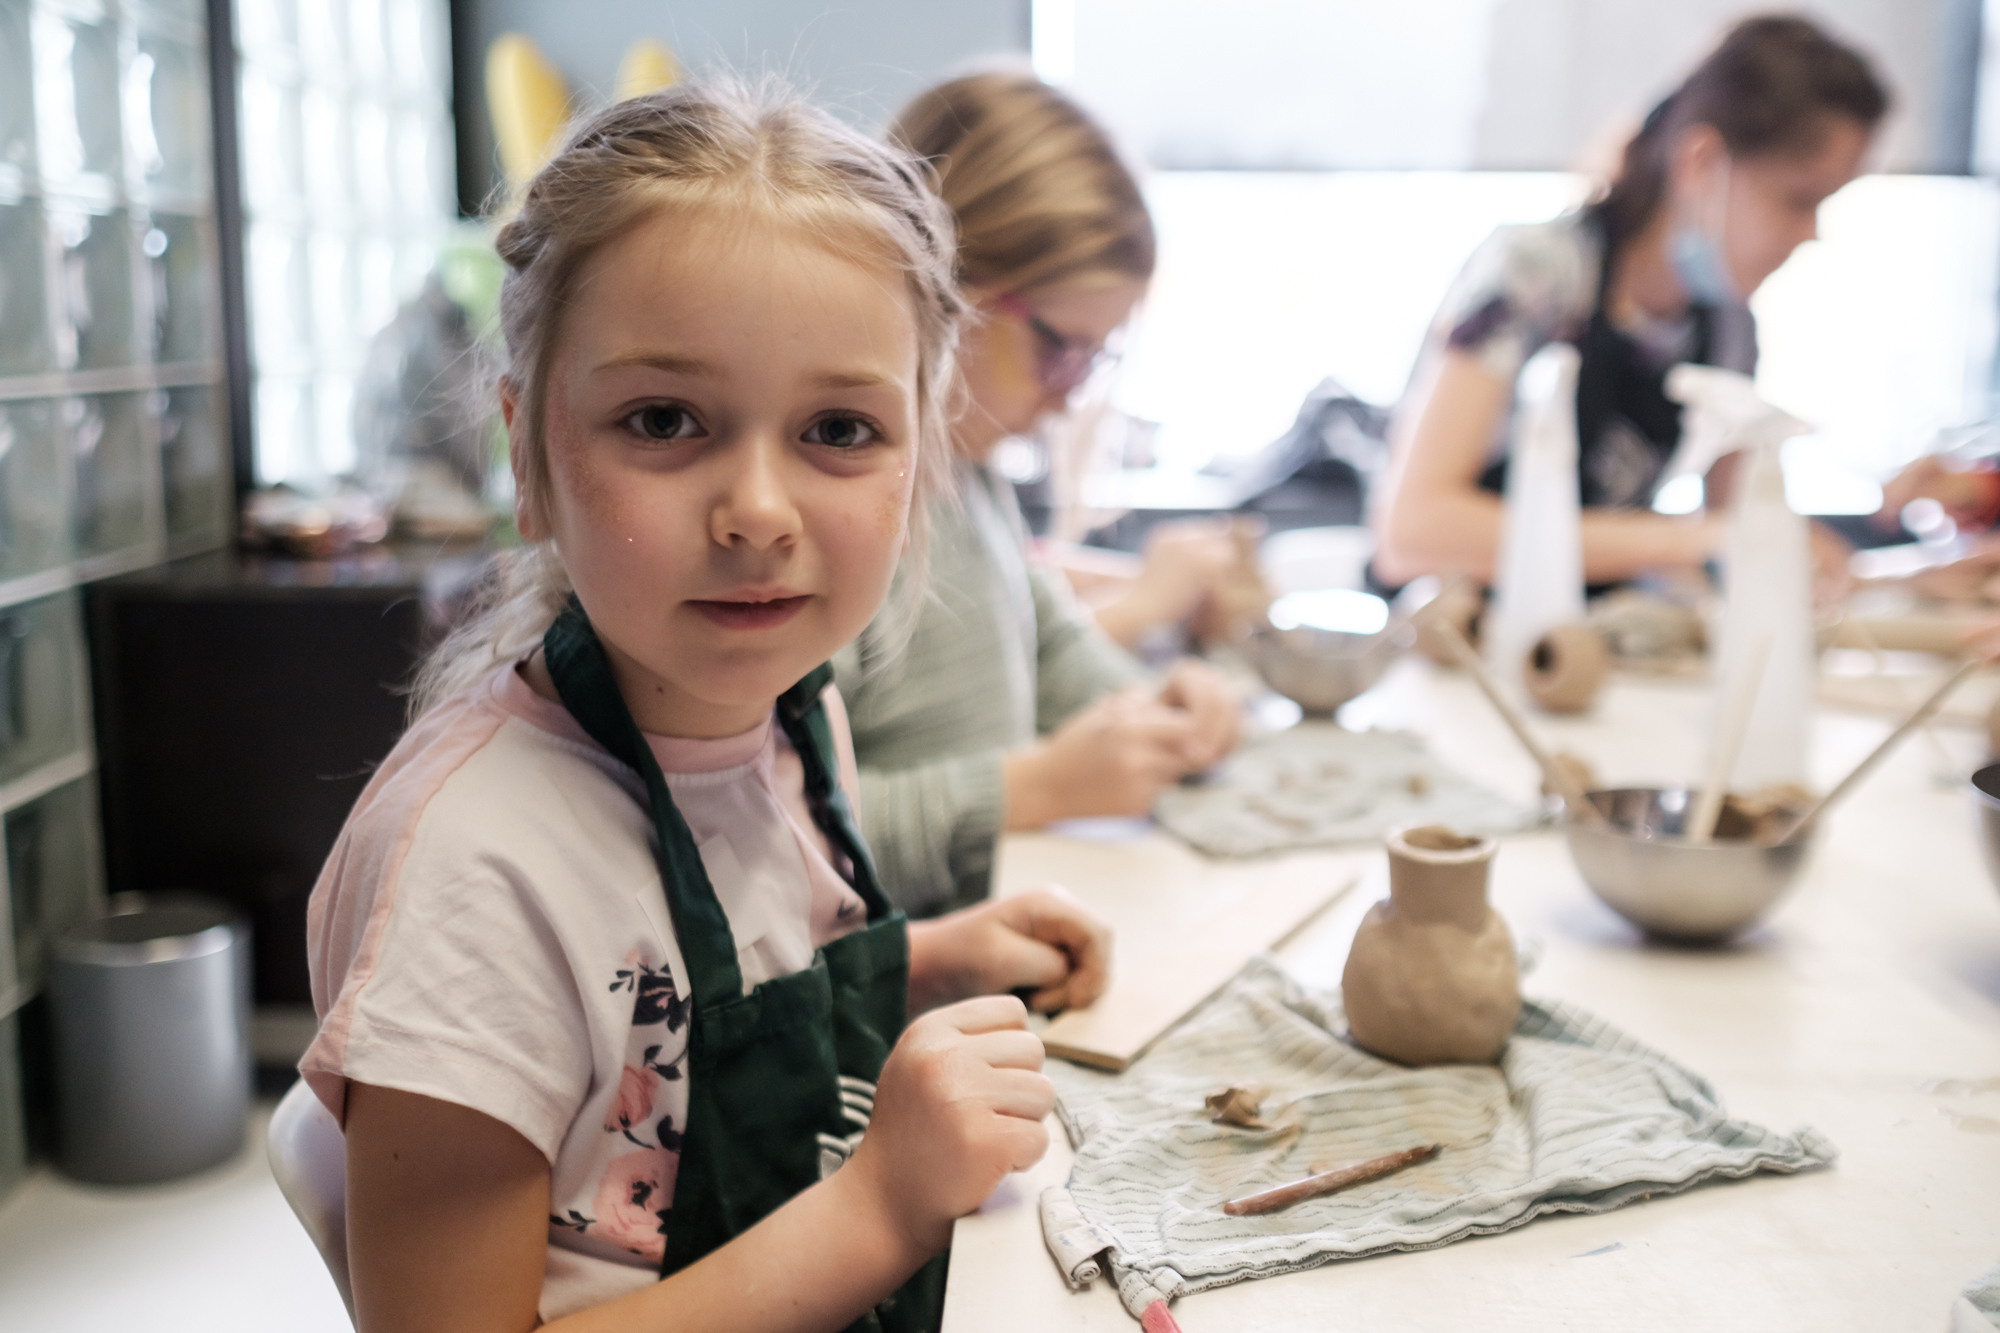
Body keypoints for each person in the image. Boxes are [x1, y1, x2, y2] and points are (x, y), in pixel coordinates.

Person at [301, 83, 1113, 1333]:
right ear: (526, 457)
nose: (759, 510)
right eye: (663, 420)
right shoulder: (478, 875)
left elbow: (685, 1015)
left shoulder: (793, 722)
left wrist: (923, 967)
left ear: (921, 462)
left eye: (838, 429)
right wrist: (882, 1202)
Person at [835, 71, 1241, 916]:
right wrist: (1036, 789)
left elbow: (1045, 640)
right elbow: (769, 831)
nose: (1068, 394)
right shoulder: (845, 517)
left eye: (1094, 361)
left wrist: (1153, 707)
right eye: (1063, 350)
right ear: (946, 288)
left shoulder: (971, 470)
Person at [1370, 16, 1888, 593]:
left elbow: (1746, 532)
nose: (1811, 231)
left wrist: (1898, 574)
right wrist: (1692, 538)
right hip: (1446, 643)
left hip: (1587, 643)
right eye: (1798, 199)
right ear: (1702, 164)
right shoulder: (1537, 273)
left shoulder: (1728, 329)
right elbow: (1410, 534)